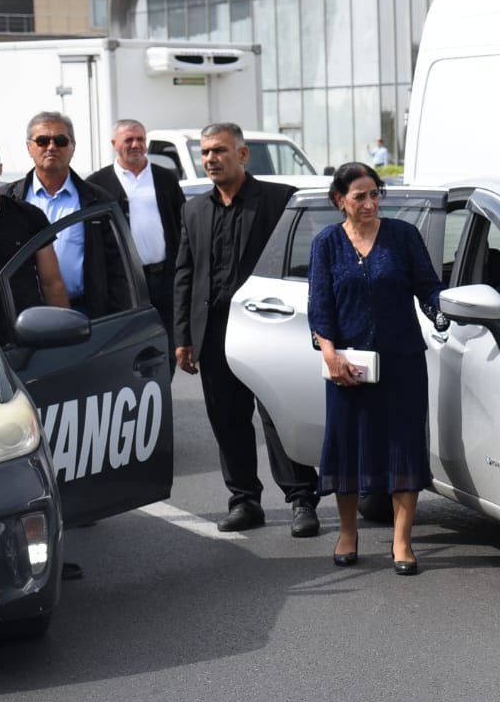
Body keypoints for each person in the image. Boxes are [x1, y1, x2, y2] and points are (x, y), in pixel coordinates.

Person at [173, 123, 321, 534]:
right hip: (215, 331)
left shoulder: (279, 199)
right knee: (227, 418)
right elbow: (184, 273)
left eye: (219, 150)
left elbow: (303, 265)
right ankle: (244, 501)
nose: (210, 159)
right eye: (205, 152)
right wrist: (182, 336)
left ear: (242, 155)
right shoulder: (194, 209)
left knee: (277, 412)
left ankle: (302, 500)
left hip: (267, 327)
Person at [309, 162, 444, 575]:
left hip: (402, 360)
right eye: (359, 196)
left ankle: (402, 542)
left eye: (374, 194)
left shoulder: (403, 236)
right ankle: (348, 532)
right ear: (340, 201)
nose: (369, 203)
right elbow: (320, 305)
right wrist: (329, 354)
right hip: (348, 366)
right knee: (346, 445)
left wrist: (443, 312)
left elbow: (428, 286)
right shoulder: (327, 243)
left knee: (403, 445)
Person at [1, 112, 130, 317]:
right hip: (18, 315)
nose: (51, 147)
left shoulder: (97, 200)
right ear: (29, 147)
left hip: (85, 312)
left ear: (73, 147)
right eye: (42, 141)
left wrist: (117, 318)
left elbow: (118, 267)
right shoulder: (8, 198)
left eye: (60, 140)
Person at [87, 119, 185, 367]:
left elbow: (182, 224)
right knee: (131, 349)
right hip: (123, 284)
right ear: (114, 144)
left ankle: (162, 396)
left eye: (140, 139)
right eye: (128, 140)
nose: (136, 145)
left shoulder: (165, 179)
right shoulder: (97, 184)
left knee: (167, 347)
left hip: (164, 279)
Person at [0, 141, 71, 342]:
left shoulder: (29, 216)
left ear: (0, 168)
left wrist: (65, 340)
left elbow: (52, 283)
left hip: (24, 341)